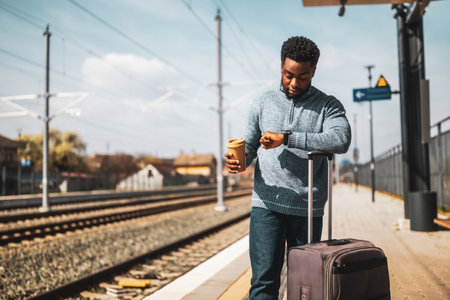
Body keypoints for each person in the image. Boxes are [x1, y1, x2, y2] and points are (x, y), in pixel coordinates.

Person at [225, 36, 351, 299]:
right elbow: (250, 146)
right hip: (266, 205)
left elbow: (341, 139)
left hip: (307, 208)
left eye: (302, 77)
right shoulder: (262, 102)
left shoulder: (328, 105)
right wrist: (241, 161)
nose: (294, 83)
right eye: (287, 74)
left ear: (313, 71)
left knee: (306, 284)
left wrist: (288, 137)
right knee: (263, 283)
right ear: (281, 67)